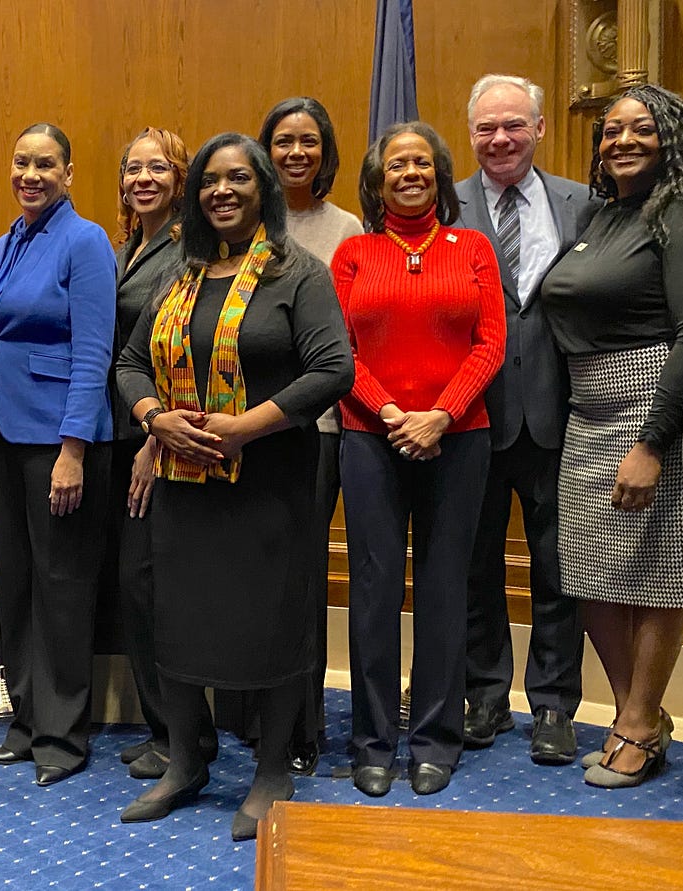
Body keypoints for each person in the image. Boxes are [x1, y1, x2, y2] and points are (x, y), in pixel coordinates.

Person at [114, 132, 353, 841]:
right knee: (180, 619)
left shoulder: (296, 273)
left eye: (239, 179)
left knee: (271, 624)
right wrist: (156, 418)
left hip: (269, 482)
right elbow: (128, 363)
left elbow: (333, 368)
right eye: (212, 181)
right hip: (185, 485)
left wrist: (243, 427)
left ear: (263, 191)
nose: (222, 191)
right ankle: (185, 761)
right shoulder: (177, 275)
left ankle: (273, 769)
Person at [538, 84, 683, 789]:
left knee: (656, 572)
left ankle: (639, 724)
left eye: (640, 129)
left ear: (671, 136)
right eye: (610, 130)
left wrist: (653, 442)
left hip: (653, 402)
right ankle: (635, 713)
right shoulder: (601, 213)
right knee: (589, 572)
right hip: (587, 410)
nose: (620, 140)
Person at [334, 122, 505, 799]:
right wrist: (390, 414)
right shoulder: (353, 251)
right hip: (370, 435)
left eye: (423, 163)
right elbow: (337, 349)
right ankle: (372, 739)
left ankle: (436, 737)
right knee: (374, 591)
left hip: (459, 436)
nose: (410, 173)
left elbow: (490, 344)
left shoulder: (474, 248)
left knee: (444, 589)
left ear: (439, 175)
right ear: (377, 183)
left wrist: (441, 415)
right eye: (396, 165)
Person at [456, 74, 597, 765]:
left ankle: (552, 703)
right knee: (474, 564)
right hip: (468, 420)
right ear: (471, 134)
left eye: (513, 125)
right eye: (486, 129)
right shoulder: (443, 207)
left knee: (557, 566)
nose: (500, 139)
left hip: (557, 415)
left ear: (540, 127)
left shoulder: (584, 205)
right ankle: (484, 692)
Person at [0, 123, 116, 787]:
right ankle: (26, 719)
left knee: (62, 584)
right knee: (18, 582)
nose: (31, 174)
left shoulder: (83, 241)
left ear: (68, 171)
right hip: (3, 430)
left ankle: (62, 732)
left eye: (46, 163)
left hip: (58, 438)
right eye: (22, 161)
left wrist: (73, 449)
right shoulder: (5, 242)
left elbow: (93, 349)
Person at [104, 127, 220, 782]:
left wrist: (153, 440)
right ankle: (169, 728)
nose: (143, 178)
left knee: (151, 586)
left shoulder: (188, 251)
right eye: (132, 168)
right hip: (126, 433)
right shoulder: (130, 248)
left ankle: (185, 735)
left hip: (162, 443)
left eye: (157, 168)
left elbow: (183, 351)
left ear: (180, 179)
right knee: (138, 587)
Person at [260, 96, 364, 775]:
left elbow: (343, 344)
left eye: (309, 142)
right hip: (241, 432)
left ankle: (303, 722)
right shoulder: (242, 223)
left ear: (324, 153)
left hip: (317, 429)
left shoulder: (346, 228)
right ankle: (254, 711)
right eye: (283, 142)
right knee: (257, 574)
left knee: (300, 575)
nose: (296, 153)